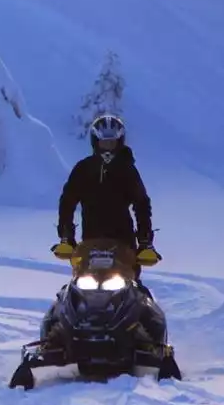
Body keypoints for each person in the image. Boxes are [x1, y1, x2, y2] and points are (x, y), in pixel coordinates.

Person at [53, 114, 160, 292]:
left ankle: (148, 319)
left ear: (120, 143)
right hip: (90, 242)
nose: (108, 147)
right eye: (104, 143)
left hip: (123, 243)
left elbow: (141, 204)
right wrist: (66, 237)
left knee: (135, 291)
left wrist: (145, 241)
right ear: (96, 142)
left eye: (112, 143)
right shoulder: (83, 169)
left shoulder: (127, 170)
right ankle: (56, 320)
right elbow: (67, 201)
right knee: (70, 293)